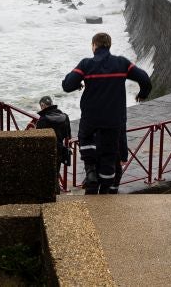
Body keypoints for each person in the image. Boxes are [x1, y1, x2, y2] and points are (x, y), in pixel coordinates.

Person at [62, 32, 151, 195]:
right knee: (109, 154)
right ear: (109, 46)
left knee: (85, 138)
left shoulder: (86, 64)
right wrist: (142, 94)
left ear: (94, 46)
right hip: (113, 120)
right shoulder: (121, 63)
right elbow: (144, 78)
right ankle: (104, 192)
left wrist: (78, 83)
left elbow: (67, 85)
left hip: (91, 117)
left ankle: (90, 171)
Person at [34, 95, 72, 194]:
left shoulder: (43, 120)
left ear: (42, 105)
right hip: (59, 150)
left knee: (46, 177)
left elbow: (38, 138)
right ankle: (56, 194)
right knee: (55, 174)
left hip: (46, 152)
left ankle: (50, 197)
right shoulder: (65, 116)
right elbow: (67, 135)